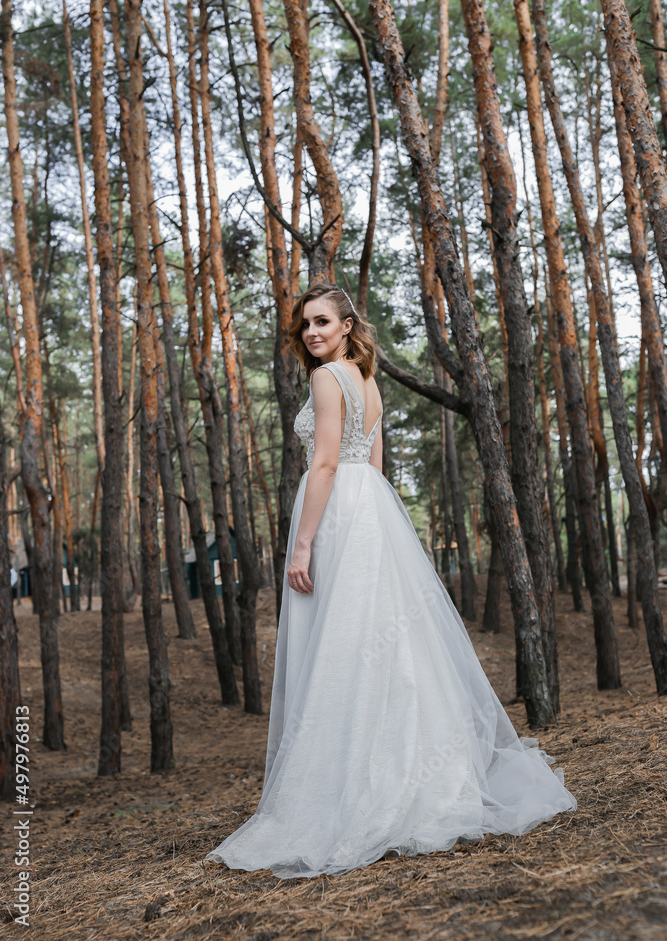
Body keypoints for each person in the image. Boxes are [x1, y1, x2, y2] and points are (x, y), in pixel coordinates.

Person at [205, 282, 576, 879]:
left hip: (337, 510)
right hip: (368, 508)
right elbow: (371, 462)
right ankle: (410, 770)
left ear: (348, 324)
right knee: (384, 643)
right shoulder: (366, 377)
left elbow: (325, 462)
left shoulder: (328, 378)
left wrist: (303, 542)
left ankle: (356, 785)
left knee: (345, 645)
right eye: (305, 325)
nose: (312, 333)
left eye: (323, 322)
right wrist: (366, 516)